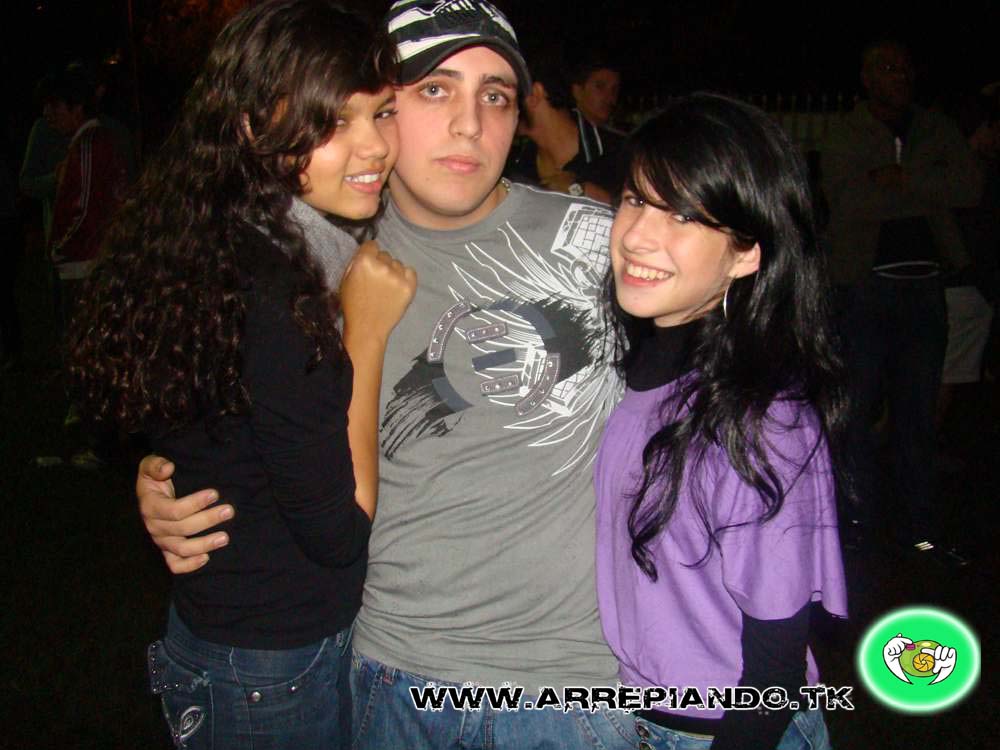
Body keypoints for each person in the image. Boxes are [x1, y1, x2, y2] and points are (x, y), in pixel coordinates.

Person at [135, 2, 637, 748]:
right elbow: (242, 417)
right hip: (387, 680)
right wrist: (171, 483)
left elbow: (740, 386)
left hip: (566, 692)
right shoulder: (315, 268)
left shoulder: (601, 244)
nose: (470, 124)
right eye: (434, 89)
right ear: (380, 107)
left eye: (496, 95)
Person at [69, 1, 415, 747]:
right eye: (331, 121)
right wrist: (365, 334)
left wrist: (163, 473)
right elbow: (338, 533)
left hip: (238, 634)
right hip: (271, 663)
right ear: (256, 127)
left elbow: (216, 424)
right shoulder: (277, 285)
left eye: (381, 112)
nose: (374, 147)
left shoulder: (228, 236)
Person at [596, 94, 849, 750]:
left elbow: (774, 668)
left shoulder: (763, 421)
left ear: (746, 253)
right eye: (636, 199)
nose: (637, 235)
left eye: (683, 215)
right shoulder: (631, 368)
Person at [822, 40, 981, 561]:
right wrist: (923, 190)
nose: (899, 75)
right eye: (887, 68)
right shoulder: (847, 132)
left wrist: (900, 179)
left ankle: (921, 528)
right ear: (866, 78)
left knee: (918, 414)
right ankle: (856, 525)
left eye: (905, 67)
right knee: (858, 411)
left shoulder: (935, 128)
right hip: (866, 287)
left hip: (925, 287)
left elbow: (969, 186)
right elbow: (846, 202)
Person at [505, 49, 623, 202]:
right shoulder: (516, 167)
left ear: (535, 94)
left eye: (505, 96)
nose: (496, 109)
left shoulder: (621, 154)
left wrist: (578, 189)